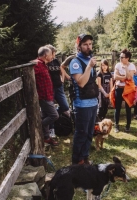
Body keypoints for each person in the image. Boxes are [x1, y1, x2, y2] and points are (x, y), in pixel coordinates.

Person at [69, 34, 98, 165]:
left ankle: (84, 157)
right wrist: (89, 67)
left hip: (93, 102)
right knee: (81, 133)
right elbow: (81, 83)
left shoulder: (90, 59)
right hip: (82, 104)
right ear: (79, 46)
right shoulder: (75, 62)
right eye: (85, 44)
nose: (88, 46)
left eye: (90, 44)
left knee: (90, 133)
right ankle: (77, 160)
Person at [33, 46, 59, 146]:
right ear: (45, 55)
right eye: (50, 54)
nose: (52, 56)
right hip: (43, 97)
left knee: (45, 116)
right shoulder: (36, 64)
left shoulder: (44, 64)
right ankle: (38, 126)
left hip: (48, 95)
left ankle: (46, 138)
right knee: (54, 115)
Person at [46, 44, 70, 138]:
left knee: (65, 106)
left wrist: (63, 79)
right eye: (53, 54)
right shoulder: (45, 62)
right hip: (50, 89)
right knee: (50, 109)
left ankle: (55, 113)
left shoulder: (56, 61)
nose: (54, 56)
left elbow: (61, 70)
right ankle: (52, 130)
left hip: (59, 87)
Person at [113, 48, 136, 133]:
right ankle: (116, 125)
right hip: (119, 89)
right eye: (120, 56)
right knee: (117, 108)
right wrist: (124, 77)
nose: (120, 58)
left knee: (128, 108)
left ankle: (128, 126)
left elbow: (130, 77)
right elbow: (115, 77)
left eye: (122, 57)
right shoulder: (117, 65)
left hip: (128, 90)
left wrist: (126, 69)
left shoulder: (132, 66)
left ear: (127, 58)